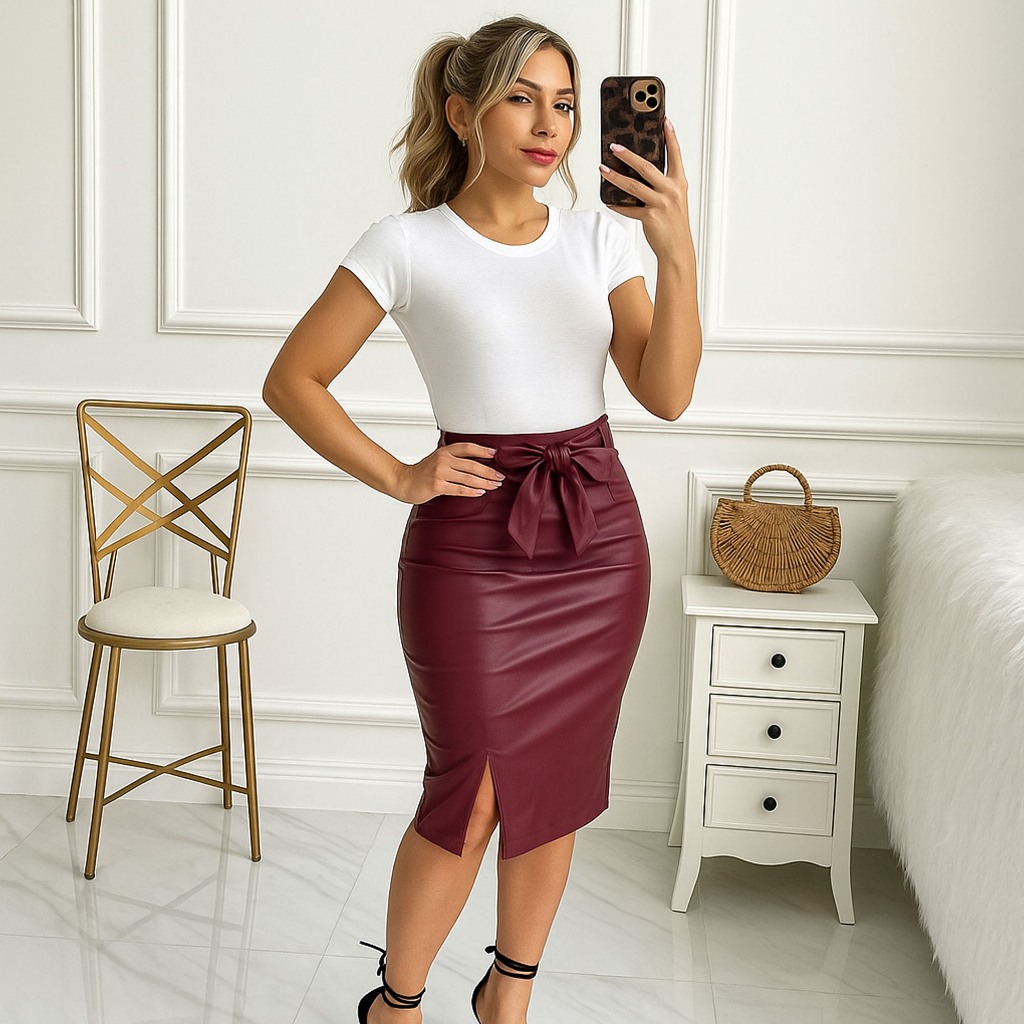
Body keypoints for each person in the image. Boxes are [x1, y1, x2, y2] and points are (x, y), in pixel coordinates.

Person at [262, 14, 701, 1024]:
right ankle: (397, 1003)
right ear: (462, 114)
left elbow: (666, 392)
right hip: (470, 545)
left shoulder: (600, 237)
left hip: (596, 540)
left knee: (554, 782)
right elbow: (293, 380)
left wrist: (674, 252)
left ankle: (509, 995)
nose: (548, 125)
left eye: (564, 103)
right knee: (473, 788)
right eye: (520, 99)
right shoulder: (405, 243)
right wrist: (400, 474)